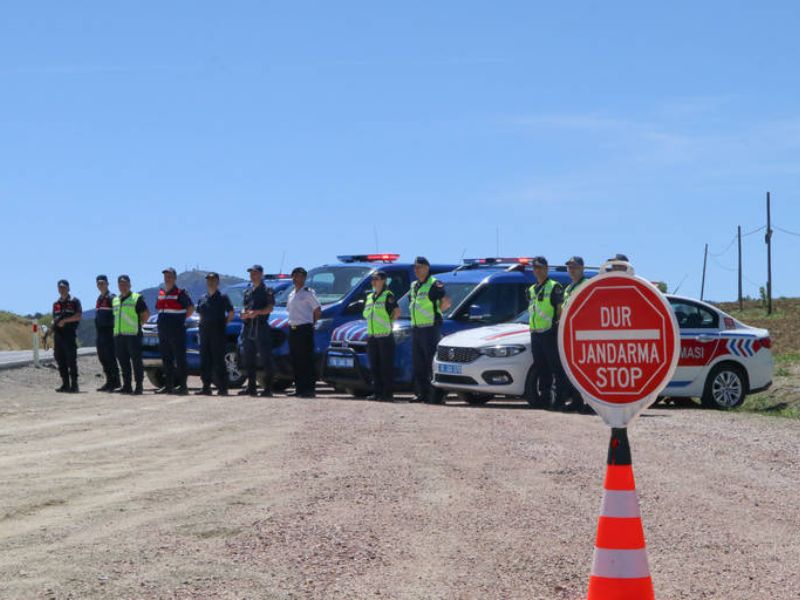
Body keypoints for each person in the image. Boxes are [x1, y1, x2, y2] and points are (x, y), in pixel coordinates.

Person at [526, 256, 569, 411]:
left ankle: (559, 400)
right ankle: (544, 400)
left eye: (540, 267)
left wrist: (558, 328)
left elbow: (559, 310)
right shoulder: (531, 289)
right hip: (536, 334)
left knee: (556, 368)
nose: (537, 270)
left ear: (546, 268)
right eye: (535, 268)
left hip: (550, 333)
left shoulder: (554, 286)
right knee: (541, 368)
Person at [409, 256, 450, 403]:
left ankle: (437, 396)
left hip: (430, 327)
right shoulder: (414, 285)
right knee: (418, 363)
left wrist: (437, 313)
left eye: (419, 267)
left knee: (431, 363)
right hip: (417, 328)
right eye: (415, 267)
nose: (416, 270)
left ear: (426, 268)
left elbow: (446, 302)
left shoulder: (434, 284)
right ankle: (422, 393)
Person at [155, 268, 194, 395]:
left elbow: (190, 308)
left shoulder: (180, 292)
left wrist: (180, 321)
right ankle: (168, 386)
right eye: (165, 276)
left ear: (175, 278)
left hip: (177, 330)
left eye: (170, 276)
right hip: (163, 331)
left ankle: (183, 386)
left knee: (180, 358)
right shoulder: (161, 293)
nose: (167, 278)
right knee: (166, 359)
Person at [238, 265, 276, 397]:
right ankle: (251, 387)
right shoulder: (248, 291)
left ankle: (268, 388)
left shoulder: (267, 290)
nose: (252, 275)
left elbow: (270, 308)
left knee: (265, 358)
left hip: (261, 326)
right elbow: (244, 307)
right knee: (249, 358)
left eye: (255, 273)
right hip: (248, 327)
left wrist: (257, 313)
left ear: (261, 274)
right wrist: (243, 313)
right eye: (251, 273)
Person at [195, 272, 235, 396]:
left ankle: (223, 388)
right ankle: (206, 387)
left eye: (213, 280)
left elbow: (231, 312)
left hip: (218, 333)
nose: (210, 282)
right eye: (208, 280)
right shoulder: (202, 298)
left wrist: (224, 324)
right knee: (205, 360)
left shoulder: (223, 297)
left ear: (218, 282)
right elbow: (199, 313)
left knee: (218, 361)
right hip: (204, 333)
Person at [363, 270, 400, 401]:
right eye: (372, 279)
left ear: (384, 280)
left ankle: (387, 394)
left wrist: (389, 323)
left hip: (384, 335)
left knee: (386, 367)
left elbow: (396, 311)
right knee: (374, 366)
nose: (374, 281)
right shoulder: (370, 297)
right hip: (372, 335)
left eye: (377, 279)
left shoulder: (387, 295)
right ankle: (377, 393)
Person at [286, 266, 321, 398]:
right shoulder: (291, 294)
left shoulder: (308, 292)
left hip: (304, 329)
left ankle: (308, 389)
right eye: (295, 276)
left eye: (301, 276)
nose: (298, 278)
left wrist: (312, 324)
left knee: (306, 360)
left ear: (305, 278)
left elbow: (317, 309)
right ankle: (299, 388)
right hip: (293, 329)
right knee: (296, 360)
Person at [113, 275, 150, 395]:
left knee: (136, 362)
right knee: (123, 362)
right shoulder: (115, 300)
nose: (122, 286)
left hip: (133, 335)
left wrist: (138, 325)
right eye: (120, 284)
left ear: (130, 285)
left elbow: (145, 314)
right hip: (119, 336)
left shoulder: (136, 298)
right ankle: (127, 385)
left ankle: (139, 386)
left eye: (124, 283)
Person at [51, 280, 82, 393]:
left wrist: (65, 321)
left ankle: (74, 385)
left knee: (71, 360)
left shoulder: (74, 301)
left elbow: (78, 316)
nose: (62, 289)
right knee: (60, 359)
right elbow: (54, 318)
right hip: (58, 335)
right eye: (60, 287)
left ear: (68, 288)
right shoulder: (56, 304)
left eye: (64, 287)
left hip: (69, 334)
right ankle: (65, 384)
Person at [94, 274, 120, 392]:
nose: (101, 285)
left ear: (107, 284)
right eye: (98, 283)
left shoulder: (112, 297)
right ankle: (109, 381)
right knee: (102, 357)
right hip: (100, 332)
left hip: (110, 332)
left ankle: (116, 382)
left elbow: (117, 314)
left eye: (102, 283)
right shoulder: (99, 299)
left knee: (110, 358)